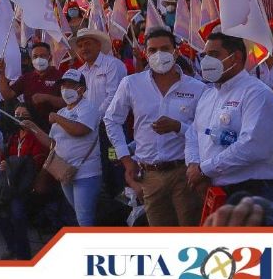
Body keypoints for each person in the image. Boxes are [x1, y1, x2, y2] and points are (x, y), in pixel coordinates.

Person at [103, 28, 205, 226]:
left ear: (176, 52)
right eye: (153, 50)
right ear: (145, 53)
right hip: (149, 175)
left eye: (165, 48)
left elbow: (205, 130)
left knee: (191, 235)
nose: (159, 55)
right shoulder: (131, 84)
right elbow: (112, 120)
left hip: (184, 173)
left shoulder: (197, 88)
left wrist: (179, 127)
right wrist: (126, 160)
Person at [186, 33, 273, 206]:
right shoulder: (208, 95)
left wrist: (204, 170)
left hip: (255, 195)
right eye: (205, 55)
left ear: (237, 57)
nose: (206, 61)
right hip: (217, 193)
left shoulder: (256, 94)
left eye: (214, 54)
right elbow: (193, 134)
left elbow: (253, 146)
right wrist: (194, 165)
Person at [24, 69, 101, 226]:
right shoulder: (62, 111)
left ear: (82, 89)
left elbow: (80, 130)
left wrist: (57, 118)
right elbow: (52, 143)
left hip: (86, 172)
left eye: (71, 85)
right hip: (64, 171)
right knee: (79, 215)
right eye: (63, 86)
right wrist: (32, 127)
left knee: (84, 217)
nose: (66, 90)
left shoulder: (89, 108)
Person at [0, 103, 50, 260]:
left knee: (17, 213)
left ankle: (24, 254)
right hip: (10, 184)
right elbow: (5, 162)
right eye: (16, 114)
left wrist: (11, 163)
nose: (19, 118)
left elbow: (35, 163)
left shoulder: (36, 138)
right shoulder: (14, 137)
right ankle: (12, 246)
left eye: (24, 114)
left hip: (26, 186)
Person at [74, 28, 127, 197]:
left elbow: (114, 96)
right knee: (98, 167)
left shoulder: (112, 65)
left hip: (111, 129)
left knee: (115, 163)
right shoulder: (79, 72)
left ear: (98, 45)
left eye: (88, 43)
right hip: (89, 129)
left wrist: (94, 118)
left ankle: (124, 206)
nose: (84, 49)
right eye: (80, 45)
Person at [0, 42, 64, 132]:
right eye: (35, 56)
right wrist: (1, 73)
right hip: (30, 129)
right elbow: (7, 95)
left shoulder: (60, 76)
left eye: (42, 56)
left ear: (50, 57)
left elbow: (67, 103)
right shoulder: (26, 77)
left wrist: (48, 98)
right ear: (31, 59)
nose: (38, 59)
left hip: (53, 127)